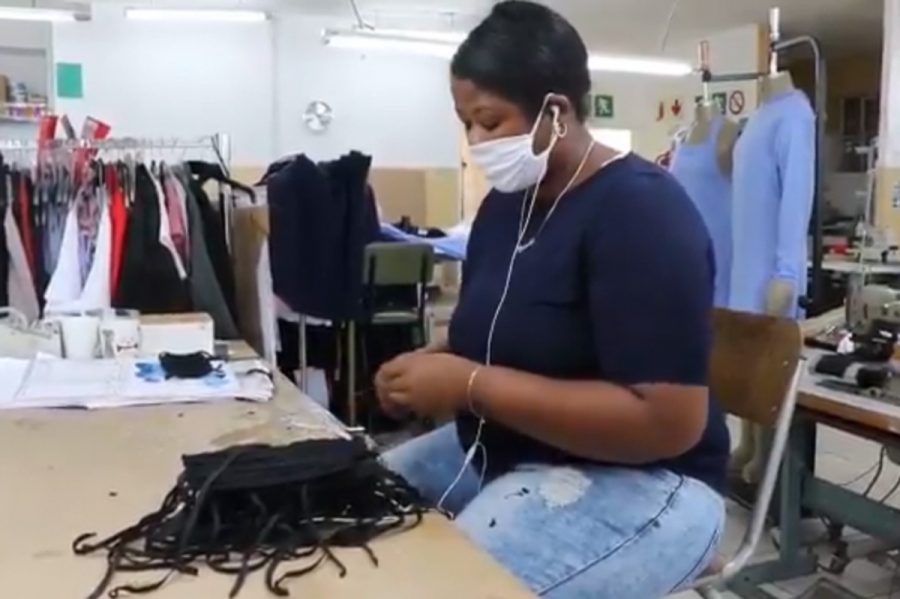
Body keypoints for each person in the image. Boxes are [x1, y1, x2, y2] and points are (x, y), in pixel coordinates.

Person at [376, 2, 730, 597]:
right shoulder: (504, 208)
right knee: (338, 511)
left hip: (646, 477)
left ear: (556, 112)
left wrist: (467, 385)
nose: (477, 141)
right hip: (506, 450)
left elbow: (667, 424)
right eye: (466, 124)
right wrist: (434, 366)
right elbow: (512, 330)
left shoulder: (641, 212)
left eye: (490, 121)